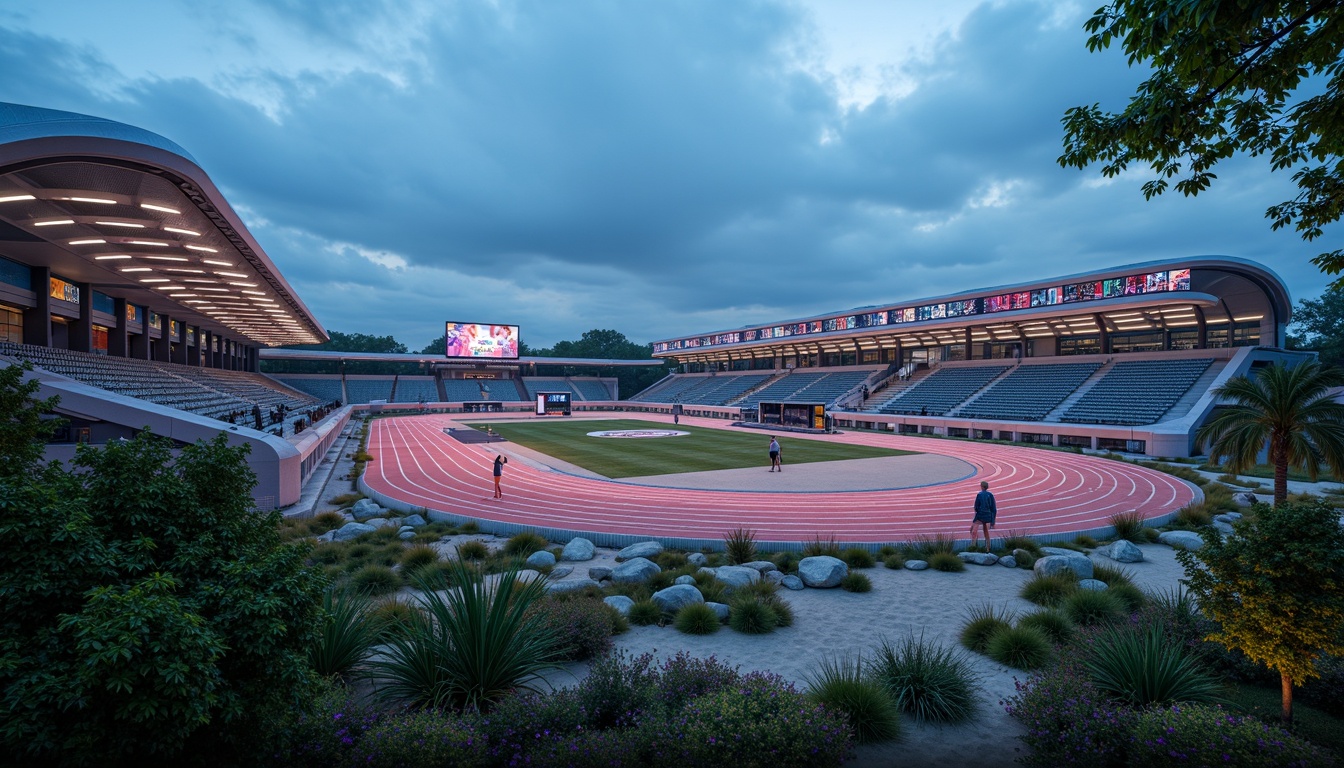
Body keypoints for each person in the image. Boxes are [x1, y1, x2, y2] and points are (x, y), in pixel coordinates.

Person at [969, 480, 997, 553]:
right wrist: (993, 520)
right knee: (986, 531)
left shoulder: (980, 495)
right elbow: (993, 508)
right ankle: (988, 547)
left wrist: (977, 512)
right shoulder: (990, 495)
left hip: (980, 515)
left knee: (973, 530)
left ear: (982, 487)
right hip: (988, 516)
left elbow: (976, 506)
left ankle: (973, 547)